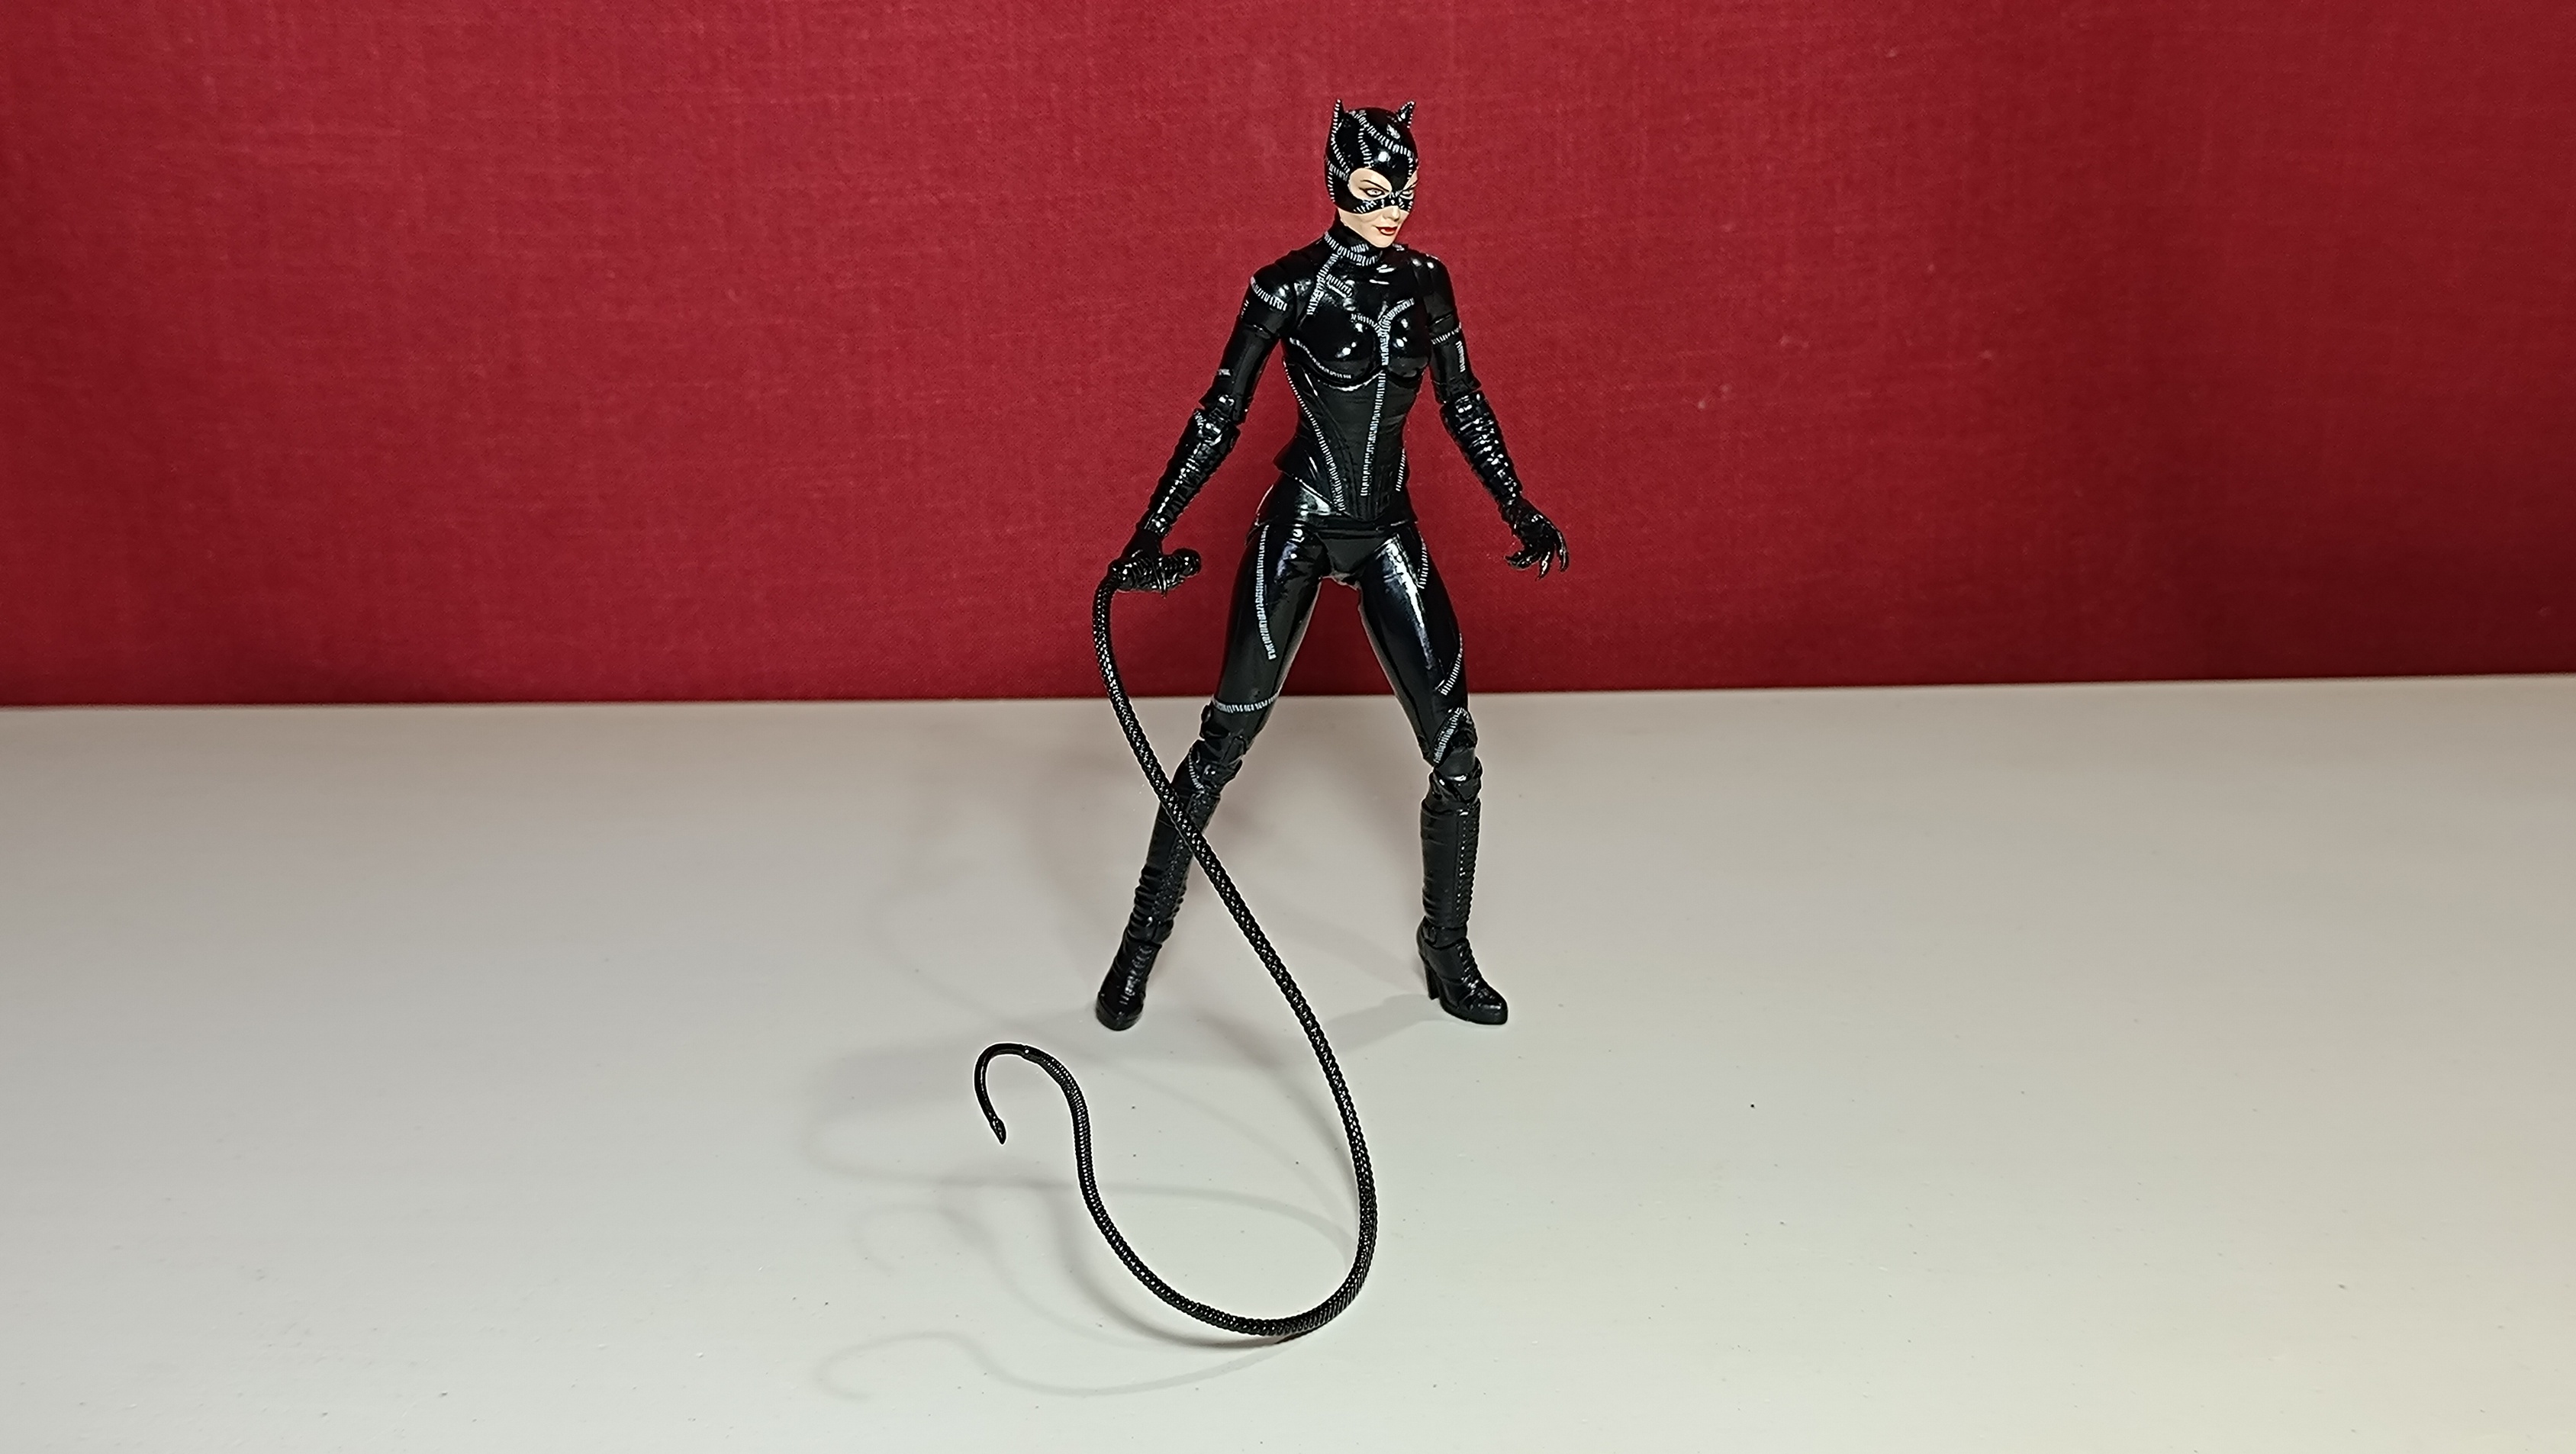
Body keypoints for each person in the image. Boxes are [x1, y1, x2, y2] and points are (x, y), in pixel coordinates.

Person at [1099, 101, 1568, 1033]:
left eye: (1405, 190)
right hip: (1303, 520)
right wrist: (1150, 528)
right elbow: (1219, 412)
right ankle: (1141, 939)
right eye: (1372, 189)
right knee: (1221, 744)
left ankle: (1446, 945)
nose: (1392, 208)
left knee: (1457, 755)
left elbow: (1463, 401)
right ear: (1335, 183)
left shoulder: (1427, 283)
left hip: (1387, 523)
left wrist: (1516, 502)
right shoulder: (1286, 286)